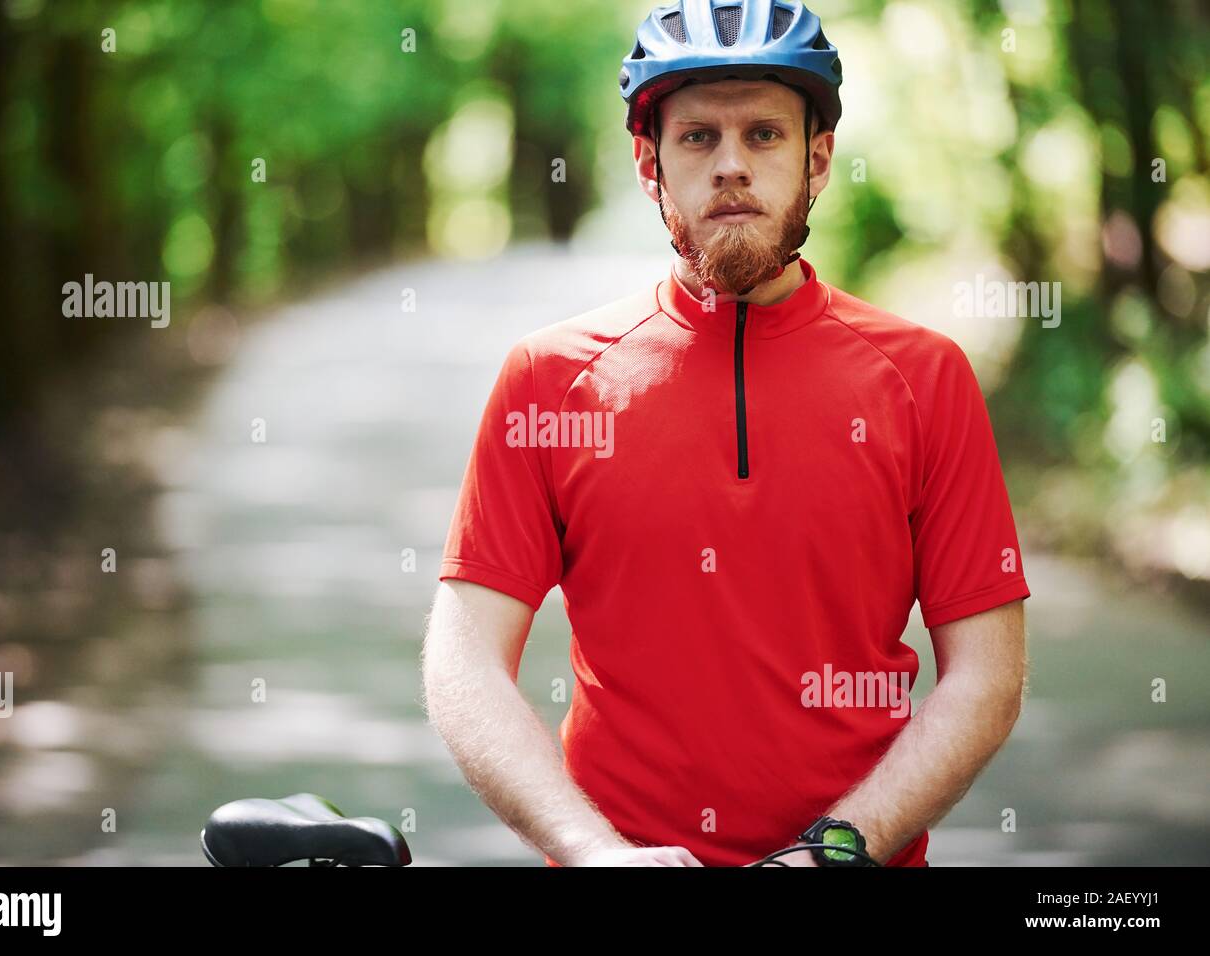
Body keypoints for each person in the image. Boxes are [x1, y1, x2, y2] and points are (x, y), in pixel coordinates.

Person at [421, 0, 1030, 867]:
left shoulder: (924, 379)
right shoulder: (550, 379)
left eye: (765, 136)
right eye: (699, 137)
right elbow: (464, 658)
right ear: (649, 163)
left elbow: (988, 674)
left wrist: (841, 850)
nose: (732, 166)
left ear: (817, 158)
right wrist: (590, 851)